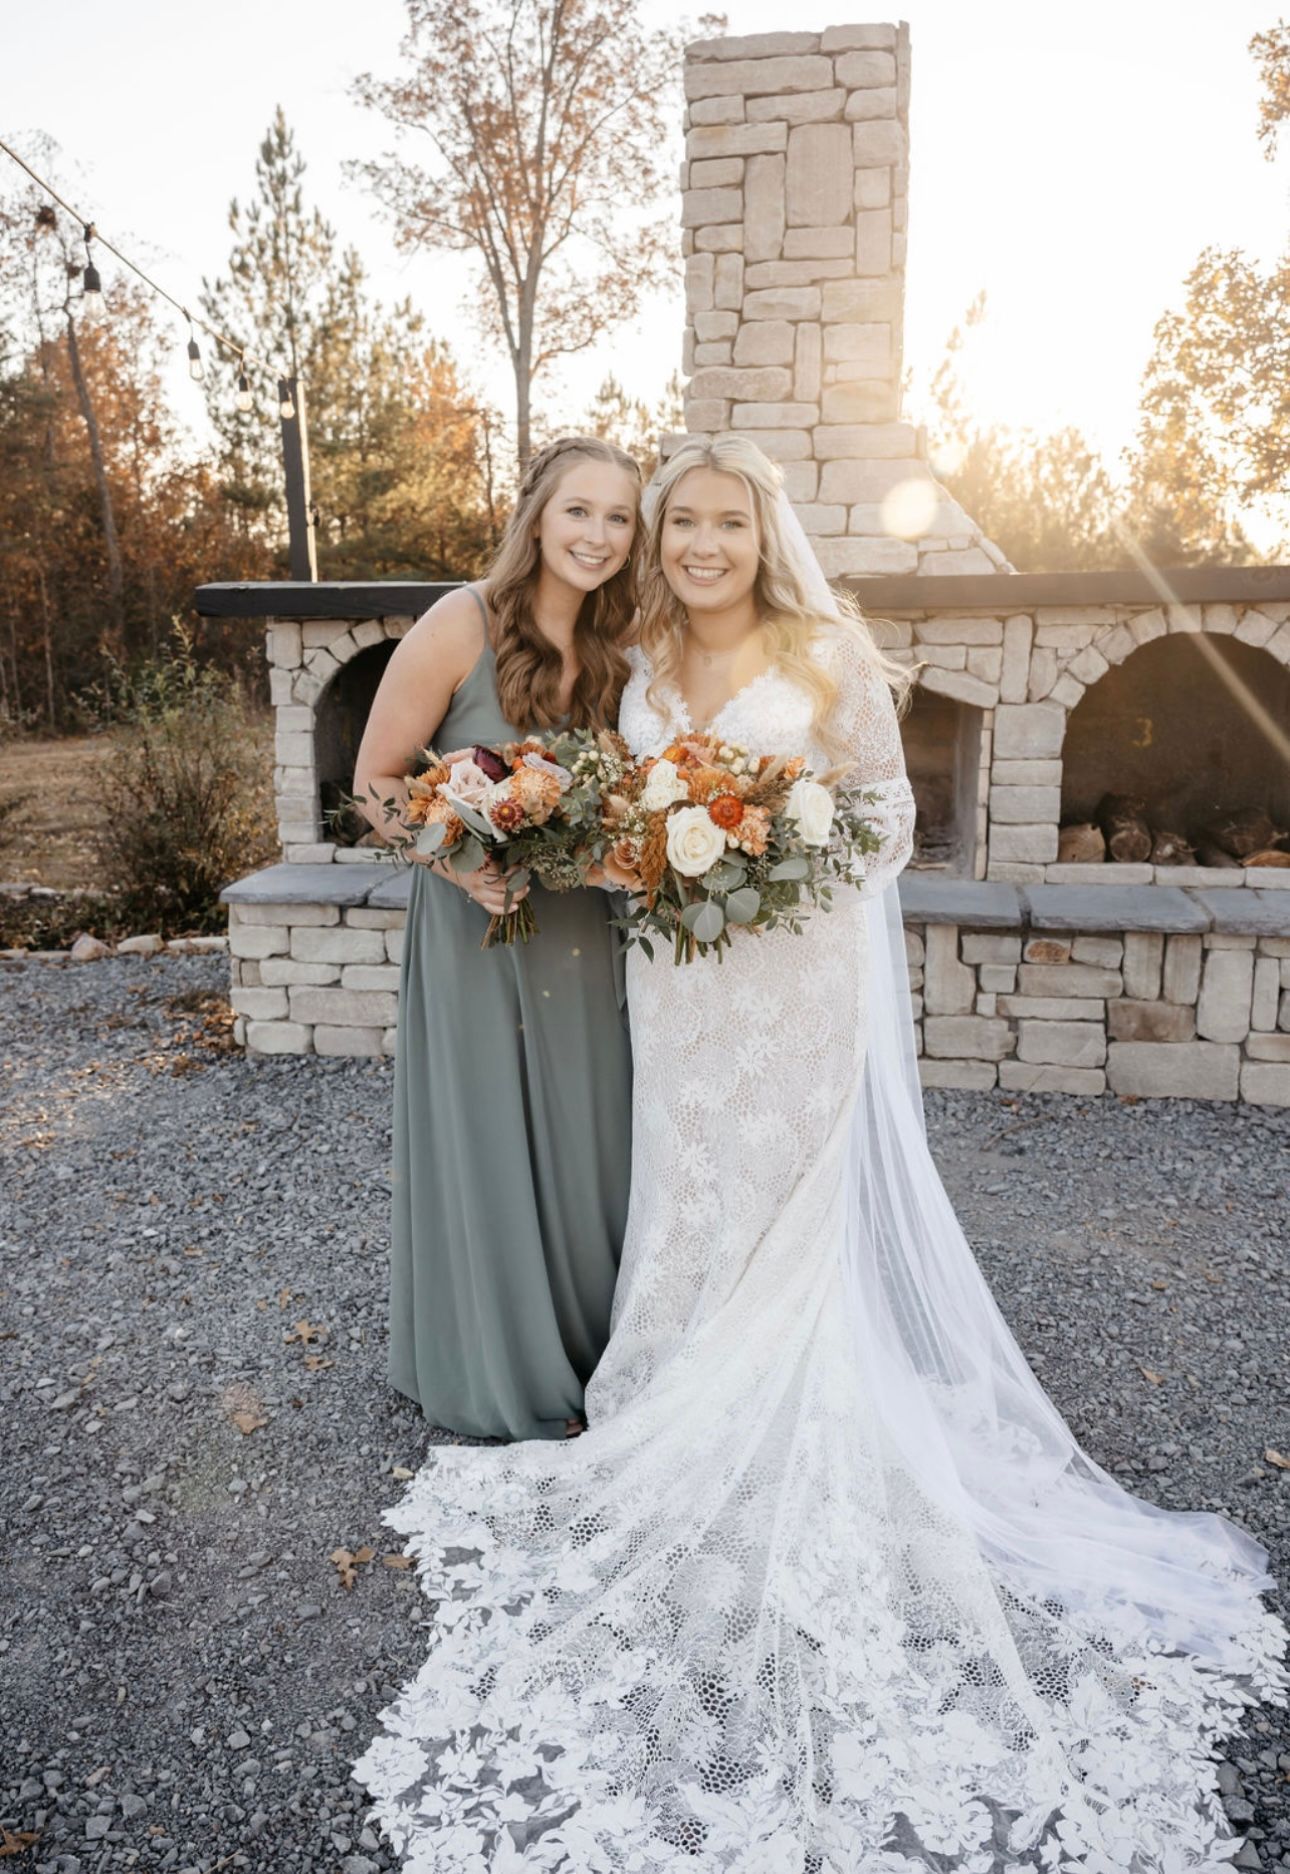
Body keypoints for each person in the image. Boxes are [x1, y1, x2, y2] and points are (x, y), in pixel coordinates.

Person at [355, 436, 1285, 1872]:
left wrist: (762, 857)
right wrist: (626, 853)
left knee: (787, 1199)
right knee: (685, 1190)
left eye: (719, 521)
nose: (696, 543)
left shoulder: (827, 646)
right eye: (677, 521)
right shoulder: (642, 650)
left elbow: (884, 822)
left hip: (787, 978)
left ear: (762, 531)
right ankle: (673, 1375)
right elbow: (611, 812)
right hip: (674, 984)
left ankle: (786, 1412)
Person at [352, 435, 638, 1443]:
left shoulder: (623, 645)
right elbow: (375, 782)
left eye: (618, 517)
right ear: (536, 515)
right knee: (489, 1133)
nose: (597, 534)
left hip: (587, 931)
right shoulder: (459, 622)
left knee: (596, 1137)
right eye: (578, 510)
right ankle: (493, 1364)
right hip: (480, 925)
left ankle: (602, 1352)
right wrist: (455, 859)